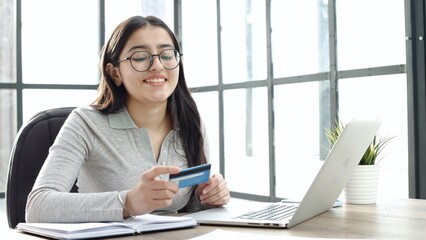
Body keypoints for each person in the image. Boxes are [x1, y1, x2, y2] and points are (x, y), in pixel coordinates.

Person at [25, 15, 231, 223]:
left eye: (167, 54)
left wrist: (206, 198)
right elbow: (38, 206)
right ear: (114, 73)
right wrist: (129, 202)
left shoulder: (190, 122)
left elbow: (185, 208)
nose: (157, 65)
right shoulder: (85, 123)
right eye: (140, 57)